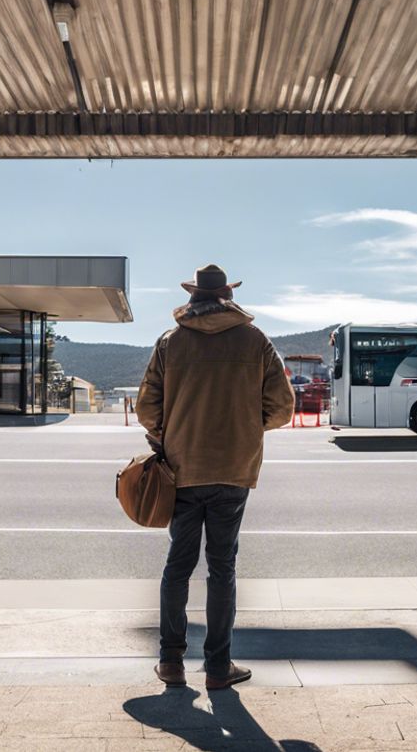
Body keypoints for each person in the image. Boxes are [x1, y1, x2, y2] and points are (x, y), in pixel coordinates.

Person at [136, 264, 295, 690]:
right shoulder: (256, 341)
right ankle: (218, 668)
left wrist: (169, 436)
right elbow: (282, 408)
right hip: (234, 469)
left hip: (182, 468)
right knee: (222, 567)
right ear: (227, 296)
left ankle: (171, 663)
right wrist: (245, 428)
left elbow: (146, 409)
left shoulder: (170, 342)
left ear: (194, 297)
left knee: (178, 565)